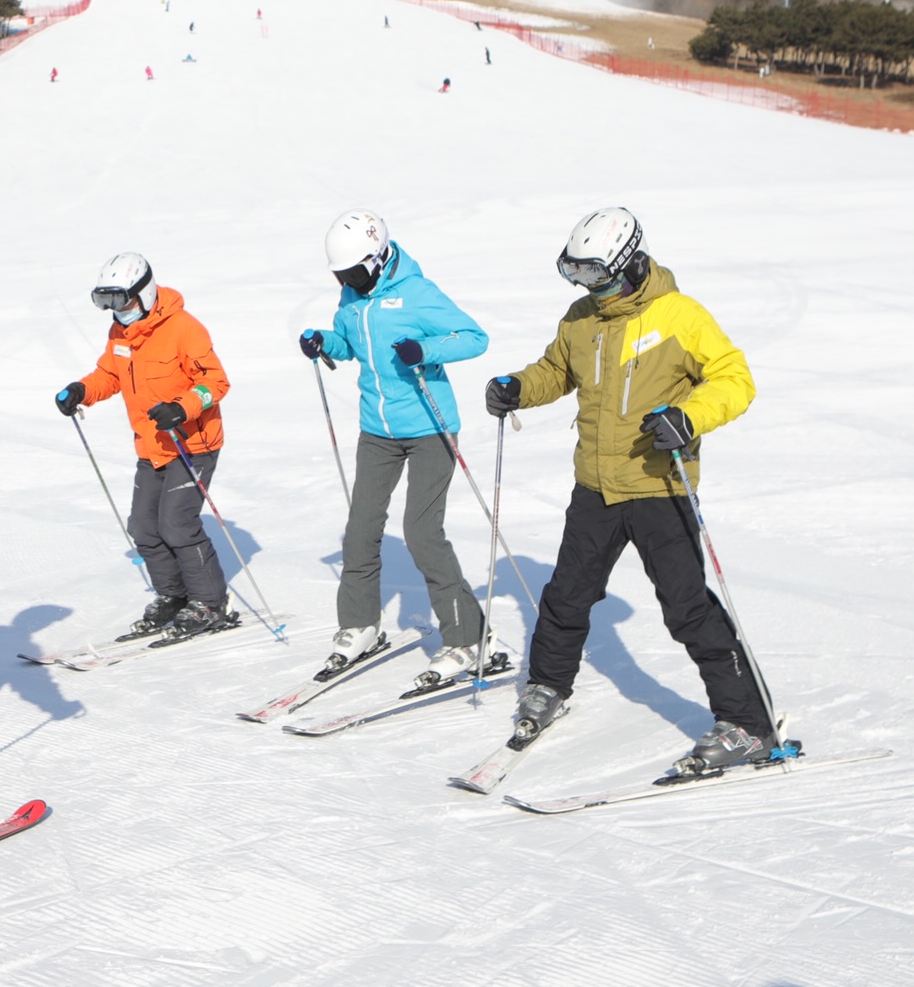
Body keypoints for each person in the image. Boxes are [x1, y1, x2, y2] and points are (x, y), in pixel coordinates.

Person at [484, 208, 770, 774]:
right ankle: (547, 686)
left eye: (601, 277)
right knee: (567, 594)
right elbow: (556, 371)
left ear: (632, 264)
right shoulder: (581, 319)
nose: (593, 289)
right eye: (580, 276)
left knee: (687, 609)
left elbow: (735, 379)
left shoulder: (680, 316)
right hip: (594, 485)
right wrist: (518, 387)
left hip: (659, 486)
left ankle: (748, 724)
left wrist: (689, 417)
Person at [300, 211, 489, 688]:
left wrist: (426, 350)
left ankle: (467, 638)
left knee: (422, 532)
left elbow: (472, 337)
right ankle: (360, 624)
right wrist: (325, 340)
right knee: (360, 530)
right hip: (377, 430)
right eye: (341, 276)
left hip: (429, 427)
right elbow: (350, 342)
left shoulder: (418, 293)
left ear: (379, 258)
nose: (349, 282)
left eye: (356, 274)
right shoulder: (353, 296)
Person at [56, 253, 235, 640]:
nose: (115, 311)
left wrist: (182, 407)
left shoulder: (185, 329)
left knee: (176, 523)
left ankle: (209, 603)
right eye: (106, 302)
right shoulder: (120, 333)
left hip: (193, 443)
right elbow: (110, 374)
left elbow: (216, 382)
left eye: (121, 300)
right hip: (151, 445)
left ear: (145, 292)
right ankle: (174, 596)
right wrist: (82, 390)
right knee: (143, 527)